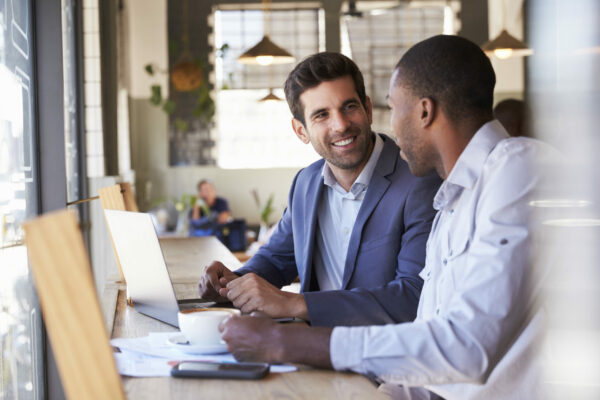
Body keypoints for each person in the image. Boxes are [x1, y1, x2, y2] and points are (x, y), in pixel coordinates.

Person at [220, 35, 556, 399]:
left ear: (424, 111)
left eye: (393, 109)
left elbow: (467, 346)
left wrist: (292, 342)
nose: (391, 127)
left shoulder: (520, 167)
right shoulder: (453, 198)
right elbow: (431, 350)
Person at [198, 52, 442, 327]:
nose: (340, 124)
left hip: (384, 357)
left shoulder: (419, 181)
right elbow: (277, 260)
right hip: (312, 353)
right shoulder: (305, 183)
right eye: (321, 115)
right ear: (301, 131)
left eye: (349, 107)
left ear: (368, 109)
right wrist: (229, 283)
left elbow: (413, 296)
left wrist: (294, 303)